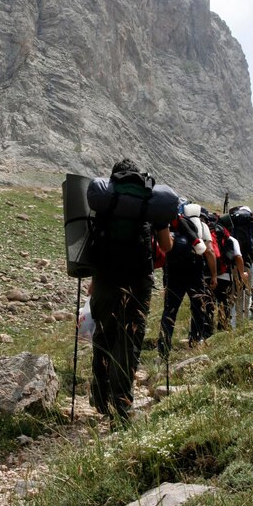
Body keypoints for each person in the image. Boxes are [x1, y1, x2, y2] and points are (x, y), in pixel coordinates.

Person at [87, 159, 173, 427]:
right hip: (138, 280)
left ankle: (101, 399)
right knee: (129, 339)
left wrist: (94, 281)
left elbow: (96, 239)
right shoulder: (149, 201)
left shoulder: (107, 199)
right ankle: (122, 409)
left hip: (104, 277)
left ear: (114, 178)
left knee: (103, 333)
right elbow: (166, 246)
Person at [157, 203, 217, 360]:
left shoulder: (171, 225)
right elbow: (209, 251)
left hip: (173, 273)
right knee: (197, 307)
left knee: (170, 310)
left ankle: (163, 349)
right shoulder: (201, 225)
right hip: (194, 272)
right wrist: (214, 275)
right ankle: (195, 340)